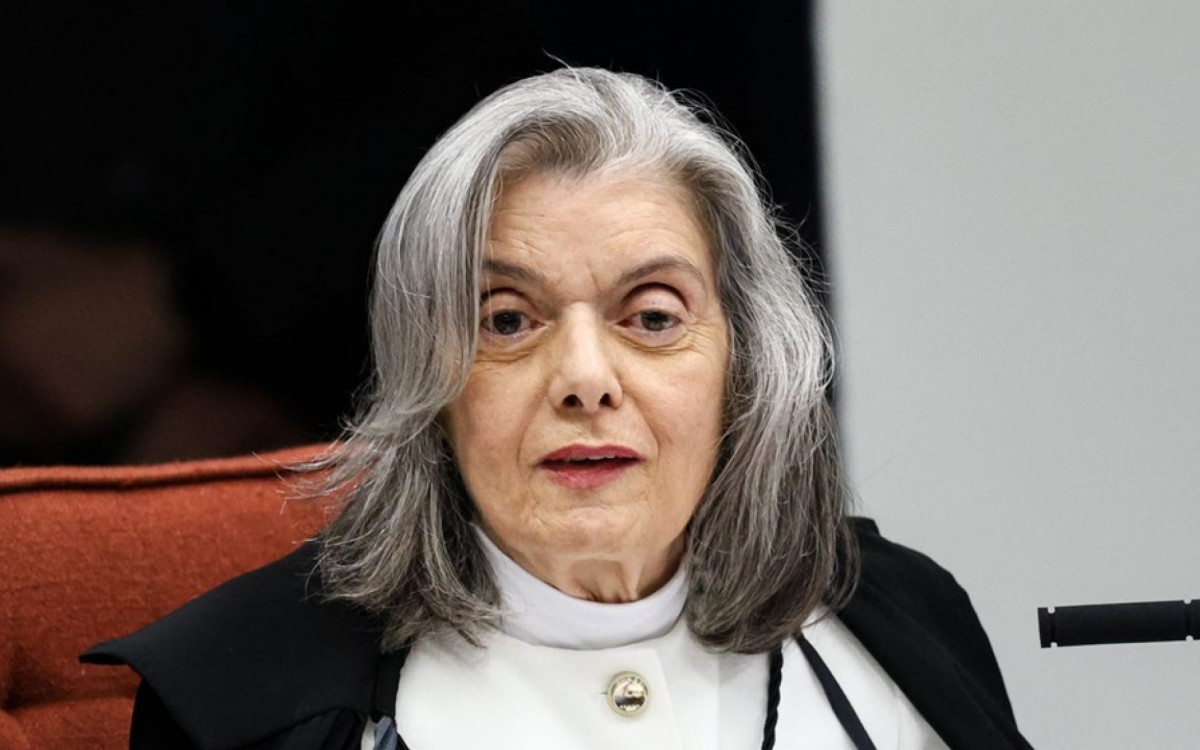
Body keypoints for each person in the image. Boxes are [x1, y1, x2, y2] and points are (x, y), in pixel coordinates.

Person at [83, 67, 1033, 749]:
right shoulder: (237, 702)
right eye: (507, 320)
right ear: (429, 383)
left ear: (744, 364)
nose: (585, 377)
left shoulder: (904, 621)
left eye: (652, 316)